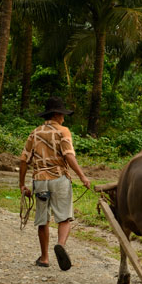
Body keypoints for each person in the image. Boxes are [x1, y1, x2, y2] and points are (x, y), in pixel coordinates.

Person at [19, 96, 91, 271]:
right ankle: (60, 245)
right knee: (64, 217)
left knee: (43, 219)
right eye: (63, 115)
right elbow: (68, 155)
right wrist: (82, 176)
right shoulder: (63, 131)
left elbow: (24, 160)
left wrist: (22, 184)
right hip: (59, 179)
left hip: (40, 181)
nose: (64, 118)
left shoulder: (35, 133)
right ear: (58, 114)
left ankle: (44, 258)